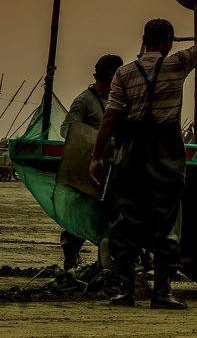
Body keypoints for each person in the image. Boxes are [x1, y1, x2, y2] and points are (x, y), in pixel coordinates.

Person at [89, 12, 197, 309]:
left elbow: (111, 118)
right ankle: (162, 291)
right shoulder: (178, 63)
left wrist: (96, 156)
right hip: (166, 152)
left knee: (128, 219)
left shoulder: (124, 73)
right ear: (168, 42)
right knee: (167, 220)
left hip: (130, 154)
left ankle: (126, 290)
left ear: (144, 41)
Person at [58, 54, 124, 271]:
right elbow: (67, 129)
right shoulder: (84, 101)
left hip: (110, 169)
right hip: (87, 169)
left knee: (109, 214)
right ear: (110, 75)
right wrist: (95, 139)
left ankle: (103, 262)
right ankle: (70, 258)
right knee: (80, 213)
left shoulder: (114, 102)